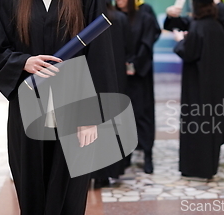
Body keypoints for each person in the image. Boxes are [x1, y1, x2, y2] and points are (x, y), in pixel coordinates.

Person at [0, 0, 116, 214]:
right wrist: (23, 62)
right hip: (28, 108)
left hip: (76, 107)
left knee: (70, 198)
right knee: (31, 192)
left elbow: (100, 55)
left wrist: (91, 115)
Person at [170, 0, 224, 179]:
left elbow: (189, 52)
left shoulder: (208, 22)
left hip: (203, 84)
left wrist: (181, 41)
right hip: (215, 83)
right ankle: (213, 162)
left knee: (206, 124)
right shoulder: (212, 26)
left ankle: (222, 159)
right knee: (213, 124)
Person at [90, 0, 133, 188]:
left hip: (92, 77)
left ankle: (92, 171)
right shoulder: (122, 19)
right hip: (116, 78)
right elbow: (129, 48)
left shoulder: (90, 21)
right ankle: (111, 170)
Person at [116, 0, 161, 174]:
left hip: (141, 74)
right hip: (122, 75)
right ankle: (126, 155)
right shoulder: (117, 17)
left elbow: (147, 43)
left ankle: (147, 154)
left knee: (143, 114)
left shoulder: (145, 16)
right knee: (124, 114)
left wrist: (134, 64)